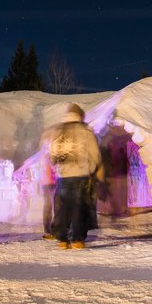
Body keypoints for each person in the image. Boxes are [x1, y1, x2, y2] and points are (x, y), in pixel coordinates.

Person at [46, 103, 104, 250]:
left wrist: (57, 167)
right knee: (79, 206)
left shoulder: (58, 130)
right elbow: (94, 153)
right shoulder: (84, 130)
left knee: (63, 207)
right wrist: (91, 168)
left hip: (63, 175)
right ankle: (77, 239)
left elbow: (52, 153)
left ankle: (63, 240)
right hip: (80, 174)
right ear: (80, 115)